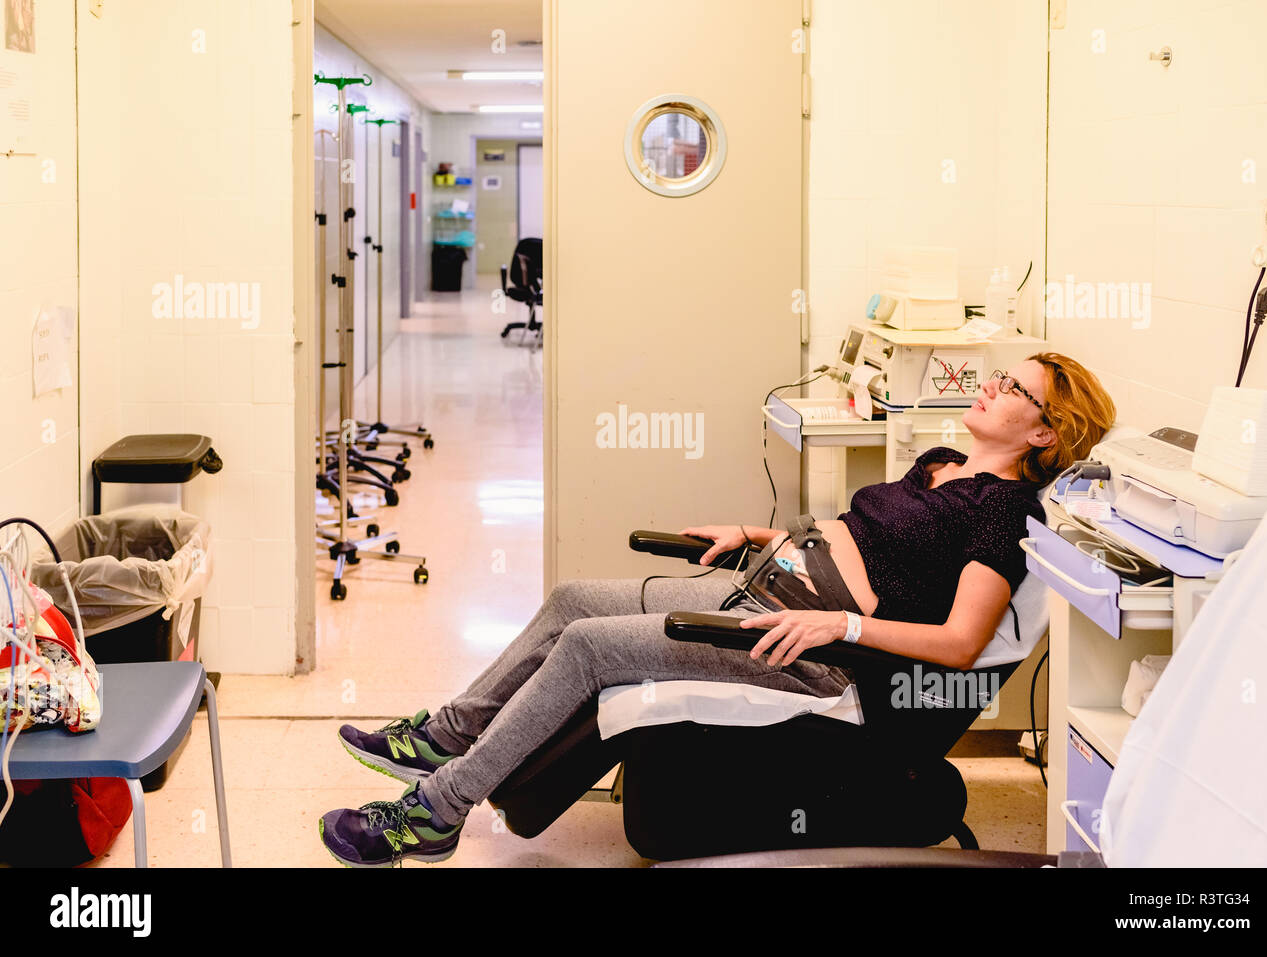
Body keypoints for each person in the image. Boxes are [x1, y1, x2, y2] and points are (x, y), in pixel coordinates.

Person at [318, 353, 1116, 866]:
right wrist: (758, 534)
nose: (991, 383)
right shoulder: (940, 462)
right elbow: (856, 538)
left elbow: (960, 640)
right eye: (1002, 374)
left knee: (592, 647)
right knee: (570, 598)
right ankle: (450, 733)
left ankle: (436, 812)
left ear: (1045, 430)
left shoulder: (1001, 513)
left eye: (1015, 389)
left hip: (810, 646)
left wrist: (837, 626)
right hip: (770, 578)